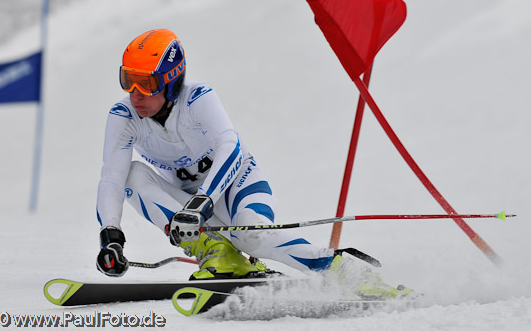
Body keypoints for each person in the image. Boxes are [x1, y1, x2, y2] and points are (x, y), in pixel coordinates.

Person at [94, 29, 409, 298]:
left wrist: (202, 205)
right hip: (191, 205)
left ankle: (343, 269)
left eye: (145, 83)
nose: (135, 94)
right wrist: (111, 237)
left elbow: (229, 147)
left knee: (252, 237)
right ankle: (219, 255)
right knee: (132, 175)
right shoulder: (124, 117)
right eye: (127, 80)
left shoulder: (198, 98)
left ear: (171, 80)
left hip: (237, 182)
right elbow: (112, 178)